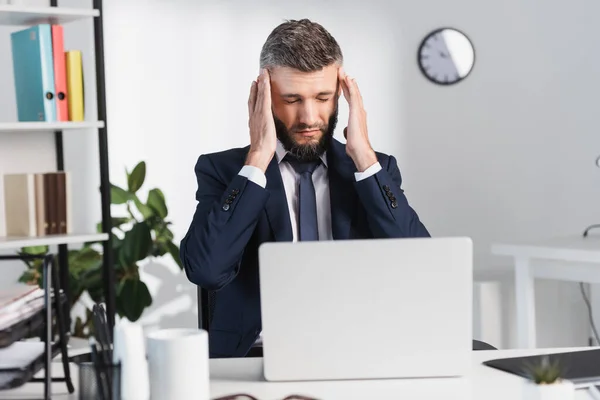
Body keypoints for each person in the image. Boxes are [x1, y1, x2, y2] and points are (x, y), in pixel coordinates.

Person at [180, 18, 430, 358]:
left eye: (323, 97)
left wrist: (364, 157)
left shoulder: (375, 170)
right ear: (264, 96)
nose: (309, 117)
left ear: (341, 95)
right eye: (292, 99)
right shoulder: (224, 171)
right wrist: (256, 158)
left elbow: (420, 266)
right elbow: (206, 270)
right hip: (257, 355)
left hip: (357, 352)